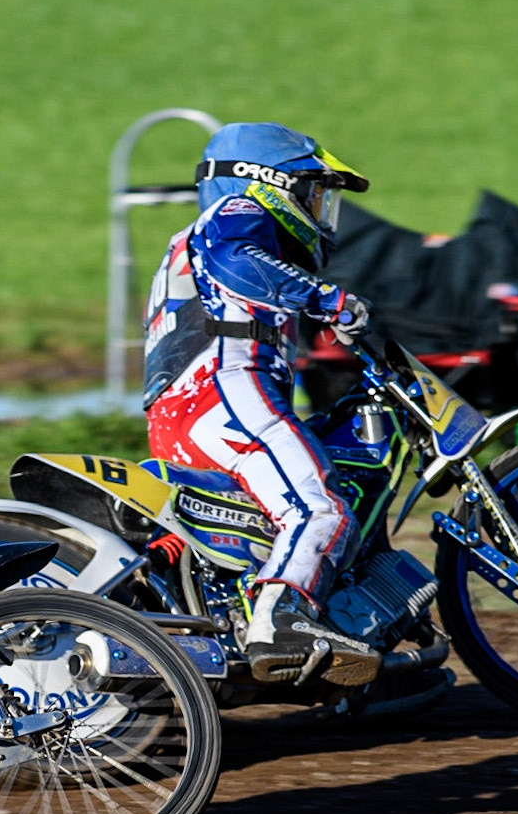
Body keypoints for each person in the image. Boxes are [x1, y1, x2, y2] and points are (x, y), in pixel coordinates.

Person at [141, 123, 377, 683]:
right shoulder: (235, 214)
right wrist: (328, 300)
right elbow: (233, 256)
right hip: (225, 391)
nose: (320, 210)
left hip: (185, 411)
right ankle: (281, 621)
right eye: (313, 193)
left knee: (264, 528)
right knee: (318, 507)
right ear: (267, 184)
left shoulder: (192, 241)